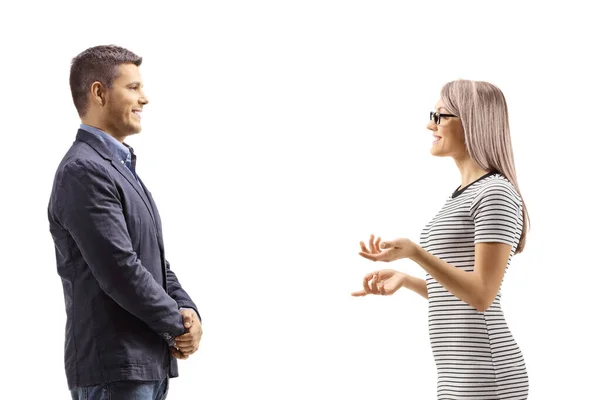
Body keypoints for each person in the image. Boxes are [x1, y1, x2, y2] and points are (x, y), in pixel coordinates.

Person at [352, 80, 530, 400]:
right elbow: (459, 298)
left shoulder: (495, 193)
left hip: (484, 373)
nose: (429, 124)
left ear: (473, 121)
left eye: (440, 116)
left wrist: (416, 253)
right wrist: (407, 279)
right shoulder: (462, 196)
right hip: (456, 372)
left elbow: (481, 296)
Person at [48, 45, 203, 400]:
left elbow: (154, 261)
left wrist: (188, 310)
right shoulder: (83, 170)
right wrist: (177, 324)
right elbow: (120, 269)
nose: (144, 99)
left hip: (144, 364)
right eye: (132, 88)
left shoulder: (116, 167)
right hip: (116, 370)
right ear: (99, 92)